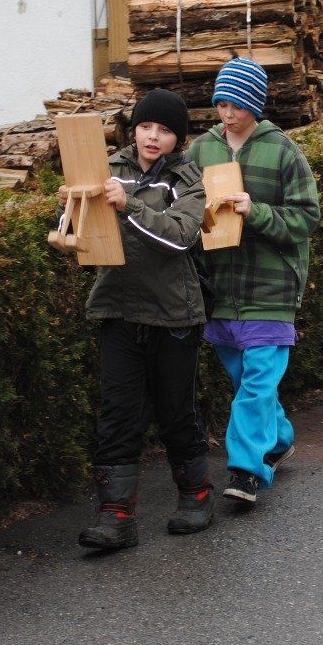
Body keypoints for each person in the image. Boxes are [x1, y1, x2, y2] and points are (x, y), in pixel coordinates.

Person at [77, 89, 214, 550]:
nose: (153, 137)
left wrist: (129, 205)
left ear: (179, 138)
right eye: (145, 126)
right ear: (133, 129)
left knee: (176, 412)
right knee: (118, 414)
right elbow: (81, 227)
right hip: (117, 309)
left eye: (165, 130)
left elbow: (180, 237)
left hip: (174, 314)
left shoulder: (187, 180)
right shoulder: (107, 168)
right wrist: (70, 208)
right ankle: (116, 516)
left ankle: (196, 496)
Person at [186, 57, 321, 505]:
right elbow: (181, 208)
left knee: (258, 382)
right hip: (220, 287)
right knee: (246, 378)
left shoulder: (283, 150)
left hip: (271, 286)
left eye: (238, 105)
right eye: (222, 103)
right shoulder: (200, 151)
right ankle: (278, 438)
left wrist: (255, 210)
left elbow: (306, 218)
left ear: (256, 105)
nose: (228, 113)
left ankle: (246, 469)